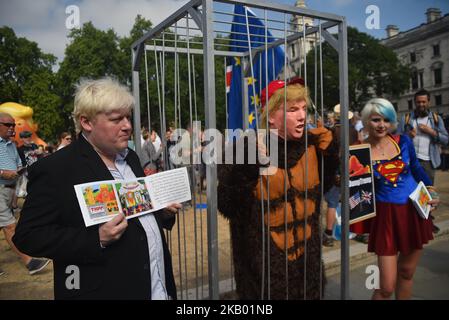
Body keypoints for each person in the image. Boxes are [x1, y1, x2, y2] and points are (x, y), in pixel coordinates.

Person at [13, 77, 179, 299]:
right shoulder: (56, 169)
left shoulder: (130, 158)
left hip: (157, 289)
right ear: (87, 122)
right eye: (116, 119)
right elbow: (27, 236)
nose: (127, 126)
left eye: (128, 117)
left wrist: (161, 211)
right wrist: (96, 240)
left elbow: (138, 216)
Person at [217, 79, 335, 299]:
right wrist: (247, 166)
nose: (302, 116)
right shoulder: (244, 149)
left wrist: (330, 156)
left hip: (308, 268)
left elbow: (321, 191)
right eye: (292, 110)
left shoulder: (312, 144)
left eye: (303, 108)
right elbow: (227, 204)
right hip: (264, 276)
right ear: (270, 116)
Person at [361, 98, 439, 300]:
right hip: (386, 217)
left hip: (413, 211)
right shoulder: (359, 152)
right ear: (367, 121)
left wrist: (432, 191)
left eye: (387, 120)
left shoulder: (403, 141)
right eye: (376, 120)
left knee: (406, 272)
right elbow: (355, 189)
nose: (382, 125)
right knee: (385, 286)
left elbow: (416, 168)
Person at [0, 112, 50, 275]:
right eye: (8, 125)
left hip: (10, 189)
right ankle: (30, 262)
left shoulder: (12, 145)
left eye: (13, 125)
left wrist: (20, 170)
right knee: (9, 226)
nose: (12, 128)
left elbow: (18, 164)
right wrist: (2, 173)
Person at [397, 89, 448, 233]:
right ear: (415, 102)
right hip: (410, 162)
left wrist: (431, 132)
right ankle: (410, 223)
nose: (421, 104)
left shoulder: (436, 119)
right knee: (409, 191)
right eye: (418, 102)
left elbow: (446, 139)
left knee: (427, 193)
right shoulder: (406, 118)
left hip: (428, 161)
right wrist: (407, 135)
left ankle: (427, 223)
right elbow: (397, 140)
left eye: (424, 102)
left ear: (429, 102)